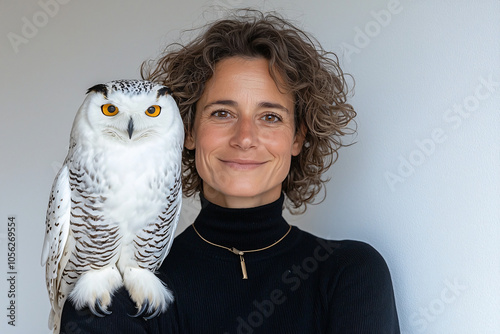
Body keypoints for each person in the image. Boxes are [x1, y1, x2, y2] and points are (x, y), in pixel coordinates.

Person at [60, 9, 400, 333]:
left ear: (298, 137)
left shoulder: (350, 273)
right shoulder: (113, 291)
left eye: (270, 117)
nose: (245, 138)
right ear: (188, 131)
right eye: (223, 113)